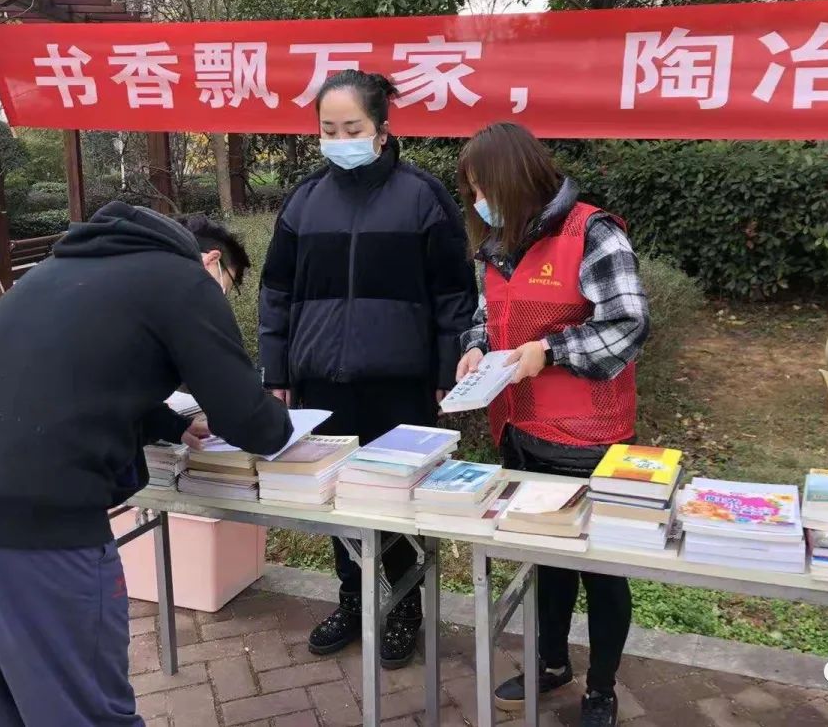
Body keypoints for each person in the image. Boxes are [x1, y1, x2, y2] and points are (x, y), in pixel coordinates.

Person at [0, 201, 293, 727]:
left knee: (0, 710)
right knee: (86, 715)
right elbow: (250, 421)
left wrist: (170, 424)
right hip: (38, 526)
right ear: (213, 261)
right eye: (230, 285)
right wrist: (284, 422)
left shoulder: (58, 270)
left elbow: (70, 379)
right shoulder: (184, 280)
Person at [258, 70, 477, 668]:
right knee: (336, 497)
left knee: (398, 500)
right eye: (328, 129)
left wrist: (445, 371)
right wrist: (275, 369)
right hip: (320, 380)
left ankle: (405, 606)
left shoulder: (421, 196)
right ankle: (352, 599)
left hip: (399, 382)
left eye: (351, 127)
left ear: (382, 129)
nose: (339, 139)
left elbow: (454, 294)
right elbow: (276, 292)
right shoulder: (305, 199)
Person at [456, 123, 650, 727]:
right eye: (472, 192)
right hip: (521, 431)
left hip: (588, 438)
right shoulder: (498, 245)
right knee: (545, 558)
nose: (480, 202)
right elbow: (490, 316)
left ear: (517, 180)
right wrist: (474, 347)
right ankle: (551, 662)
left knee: (601, 568)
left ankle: (602, 687)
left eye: (485, 189)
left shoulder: (592, 233)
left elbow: (628, 324)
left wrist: (552, 349)